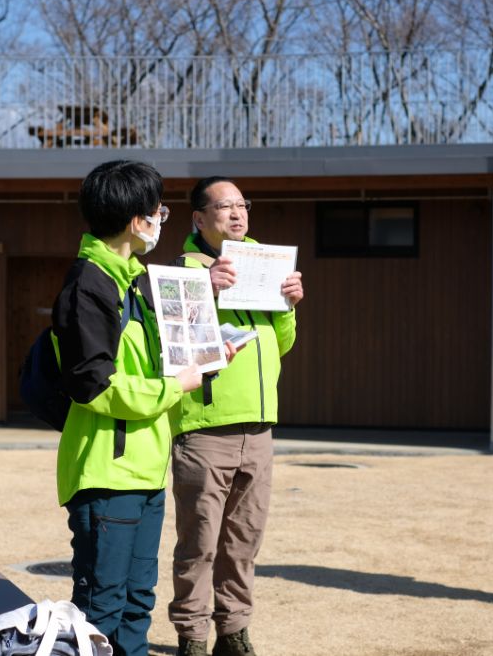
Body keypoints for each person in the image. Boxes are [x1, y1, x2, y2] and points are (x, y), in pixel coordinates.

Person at [53, 159, 203, 656]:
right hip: (106, 473)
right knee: (101, 606)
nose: (163, 219)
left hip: (145, 470)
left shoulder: (135, 280)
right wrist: (174, 386)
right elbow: (92, 386)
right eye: (158, 210)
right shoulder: (88, 285)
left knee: (138, 601)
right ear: (137, 220)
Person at [169, 176, 303, 656]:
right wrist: (204, 288)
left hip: (259, 427)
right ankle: (192, 637)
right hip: (205, 428)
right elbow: (174, 345)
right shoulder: (183, 269)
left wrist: (287, 306)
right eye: (224, 207)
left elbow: (279, 346)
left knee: (244, 541)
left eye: (242, 205)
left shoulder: (263, 264)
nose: (237, 213)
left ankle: (234, 631)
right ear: (199, 218)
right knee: (199, 541)